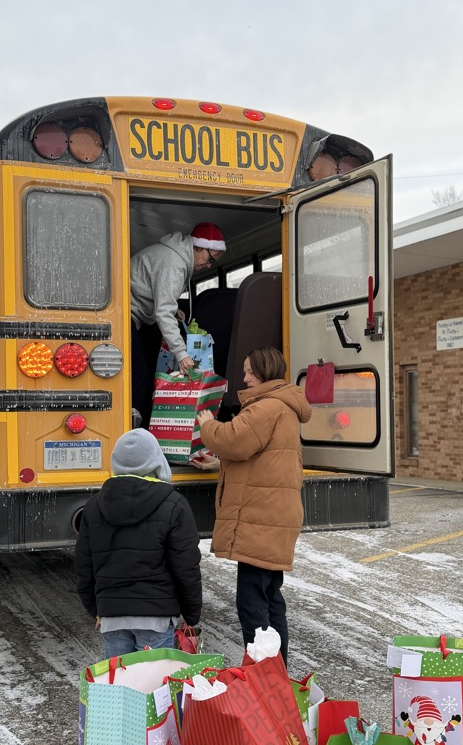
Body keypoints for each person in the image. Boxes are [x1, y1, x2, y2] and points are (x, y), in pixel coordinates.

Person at [193, 347, 311, 665]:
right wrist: (217, 465)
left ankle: (262, 673)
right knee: (271, 599)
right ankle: (276, 672)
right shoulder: (281, 406)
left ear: (263, 372)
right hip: (273, 518)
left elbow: (234, 439)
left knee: (252, 604)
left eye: (249, 371)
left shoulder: (267, 407)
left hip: (262, 520)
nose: (244, 378)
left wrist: (206, 424)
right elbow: (261, 460)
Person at [74, 428, 202, 659]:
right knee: (154, 688)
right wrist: (191, 613)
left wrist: (96, 609)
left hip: (112, 617)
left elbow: (84, 565)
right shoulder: (174, 504)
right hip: (156, 618)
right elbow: (186, 565)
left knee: (121, 688)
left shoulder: (94, 506)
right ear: (156, 461)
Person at [130, 222, 225, 426]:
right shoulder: (174, 264)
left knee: (145, 372)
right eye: (209, 259)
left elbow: (159, 298)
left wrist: (174, 309)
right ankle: (135, 430)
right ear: (198, 247)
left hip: (138, 315)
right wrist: (181, 354)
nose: (208, 266)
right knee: (140, 374)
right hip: (127, 315)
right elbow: (162, 311)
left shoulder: (174, 258)